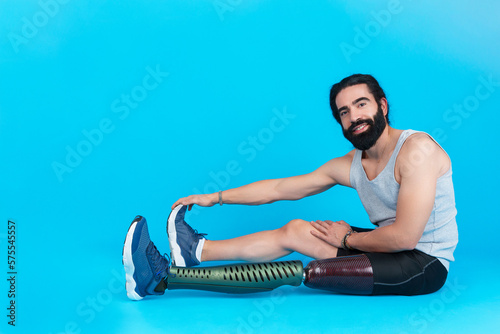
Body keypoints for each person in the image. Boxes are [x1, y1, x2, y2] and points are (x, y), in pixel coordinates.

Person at [122, 74, 458, 300]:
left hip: (423, 265)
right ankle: (195, 252)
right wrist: (215, 197)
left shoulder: (416, 151)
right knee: (297, 230)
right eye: (344, 111)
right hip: (390, 250)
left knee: (308, 272)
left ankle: (162, 278)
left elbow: (405, 237)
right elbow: (280, 188)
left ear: (382, 106)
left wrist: (346, 239)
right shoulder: (350, 164)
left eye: (361, 104)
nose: (354, 116)